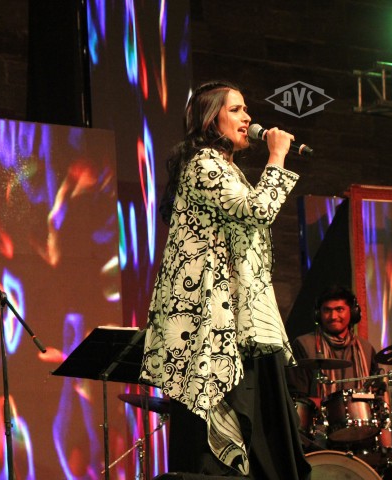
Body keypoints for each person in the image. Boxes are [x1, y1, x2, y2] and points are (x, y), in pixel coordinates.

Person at [140, 81, 311, 479]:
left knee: (269, 444)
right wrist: (277, 156)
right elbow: (257, 210)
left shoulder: (226, 168)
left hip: (243, 325)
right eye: (236, 109)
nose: (247, 117)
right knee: (233, 445)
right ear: (209, 119)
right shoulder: (203, 164)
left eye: (246, 108)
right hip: (215, 330)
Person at [286, 285, 379, 399]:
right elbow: (297, 396)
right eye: (327, 310)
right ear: (318, 314)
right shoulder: (303, 344)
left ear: (352, 312)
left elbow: (377, 393)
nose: (333, 316)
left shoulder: (366, 349)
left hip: (360, 410)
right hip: (318, 410)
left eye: (339, 309)